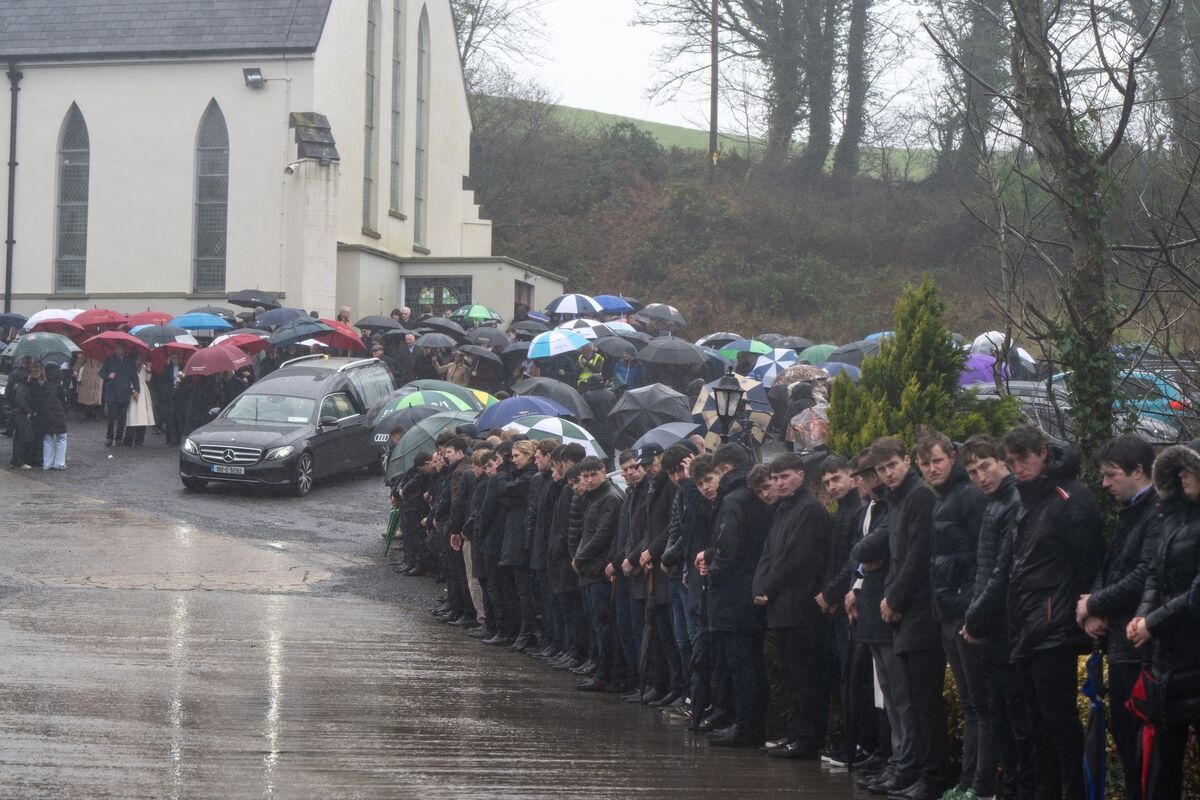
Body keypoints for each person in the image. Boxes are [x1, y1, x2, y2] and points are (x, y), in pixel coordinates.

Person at [1002, 424, 1103, 800]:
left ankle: (1073, 792)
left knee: (1059, 723)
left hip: (1054, 624)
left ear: (1043, 453)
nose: (1018, 469)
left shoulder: (1069, 497)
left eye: (1024, 459)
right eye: (1012, 462)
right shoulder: (1030, 497)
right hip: (1029, 624)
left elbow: (1087, 559)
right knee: (1036, 723)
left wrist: (1085, 606)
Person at [1078, 434, 1160, 800]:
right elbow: (1110, 566)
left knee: (1143, 746)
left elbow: (1145, 574)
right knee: (1125, 739)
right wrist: (1093, 606)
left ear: (1139, 471)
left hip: (1139, 646)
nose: (1105, 483)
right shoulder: (1130, 511)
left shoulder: (1156, 512)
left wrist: (1095, 605)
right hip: (1120, 642)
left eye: (1111, 475)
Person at [872, 436, 949, 800]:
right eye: (882, 469)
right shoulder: (897, 501)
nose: (888, 474)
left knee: (925, 700)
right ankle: (916, 770)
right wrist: (889, 596)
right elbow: (895, 555)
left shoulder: (919, 496)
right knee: (912, 700)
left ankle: (932, 775)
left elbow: (919, 556)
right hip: (902, 611)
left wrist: (895, 598)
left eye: (892, 466)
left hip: (920, 612)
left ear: (907, 462)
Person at [960, 435, 1034, 800]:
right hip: (991, 626)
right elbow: (984, 568)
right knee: (999, 714)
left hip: (1006, 627)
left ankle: (1018, 787)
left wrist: (974, 619)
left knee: (1014, 716)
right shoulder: (993, 504)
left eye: (985, 466)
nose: (980, 477)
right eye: (973, 471)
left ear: (1002, 463)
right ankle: (1010, 786)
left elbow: (1002, 572)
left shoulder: (1013, 502)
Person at [915, 430, 988, 800]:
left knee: (978, 703)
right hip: (947, 611)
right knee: (969, 701)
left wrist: (968, 604)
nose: (932, 469)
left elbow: (983, 555)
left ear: (953, 458)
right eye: (926, 464)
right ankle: (968, 781)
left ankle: (977, 784)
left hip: (964, 612)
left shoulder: (969, 496)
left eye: (937, 461)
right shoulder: (942, 499)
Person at [1127, 444, 1200, 799]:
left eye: (1190, 470)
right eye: (1180, 470)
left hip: (1193, 650)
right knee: (1163, 763)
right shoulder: (1172, 516)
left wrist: (1153, 622)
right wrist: (1142, 615)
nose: (1184, 477)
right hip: (1169, 657)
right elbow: (1154, 575)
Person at [752, 452, 831, 760]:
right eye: (775, 478)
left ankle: (807, 738)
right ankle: (795, 733)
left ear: (800, 474)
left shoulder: (809, 509)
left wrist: (768, 588)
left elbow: (797, 558)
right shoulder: (783, 509)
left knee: (805, 676)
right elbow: (769, 552)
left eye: (785, 477)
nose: (779, 483)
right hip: (781, 608)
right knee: (790, 677)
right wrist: (759, 586)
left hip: (801, 608)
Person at [697, 443, 774, 747]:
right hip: (753, 589)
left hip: (733, 595)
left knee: (741, 664)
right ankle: (750, 723)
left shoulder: (733, 500)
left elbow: (728, 549)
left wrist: (712, 571)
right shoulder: (757, 497)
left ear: (725, 469)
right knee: (751, 663)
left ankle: (744, 726)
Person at [573, 456, 625, 692]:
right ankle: (602, 670)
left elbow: (602, 534)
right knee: (598, 624)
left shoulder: (610, 498)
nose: (589, 480)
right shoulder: (592, 498)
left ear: (603, 472)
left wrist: (580, 557)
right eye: (586, 476)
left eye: (593, 474)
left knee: (604, 625)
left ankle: (608, 675)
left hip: (600, 571)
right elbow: (588, 532)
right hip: (590, 569)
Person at [31, 362, 68, 470]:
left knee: (48, 438)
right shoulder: (58, 387)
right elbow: (64, 399)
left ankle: (47, 464)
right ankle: (59, 463)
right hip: (58, 415)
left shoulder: (43, 386)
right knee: (61, 437)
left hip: (45, 416)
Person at [101, 343, 139, 447]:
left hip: (124, 392)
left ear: (124, 349)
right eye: (115, 348)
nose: (116, 351)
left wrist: (137, 390)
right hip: (112, 392)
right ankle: (109, 437)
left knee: (122, 417)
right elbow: (101, 373)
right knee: (111, 417)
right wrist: (109, 375)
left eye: (119, 348)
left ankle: (118, 438)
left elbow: (134, 377)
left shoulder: (129, 362)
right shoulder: (110, 360)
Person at [6, 357, 34, 469]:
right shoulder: (22, 380)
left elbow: (9, 391)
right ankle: (18, 461)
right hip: (20, 409)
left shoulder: (14, 374)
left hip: (16, 408)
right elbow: (18, 397)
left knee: (19, 435)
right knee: (21, 436)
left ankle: (16, 461)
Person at [124, 355, 156, 446]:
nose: (139, 360)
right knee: (133, 415)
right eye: (138, 358)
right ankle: (129, 440)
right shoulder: (130, 367)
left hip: (143, 391)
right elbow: (129, 379)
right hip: (133, 390)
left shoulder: (144, 367)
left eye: (141, 358)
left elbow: (148, 379)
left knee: (142, 416)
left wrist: (149, 369)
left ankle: (139, 440)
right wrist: (133, 390)